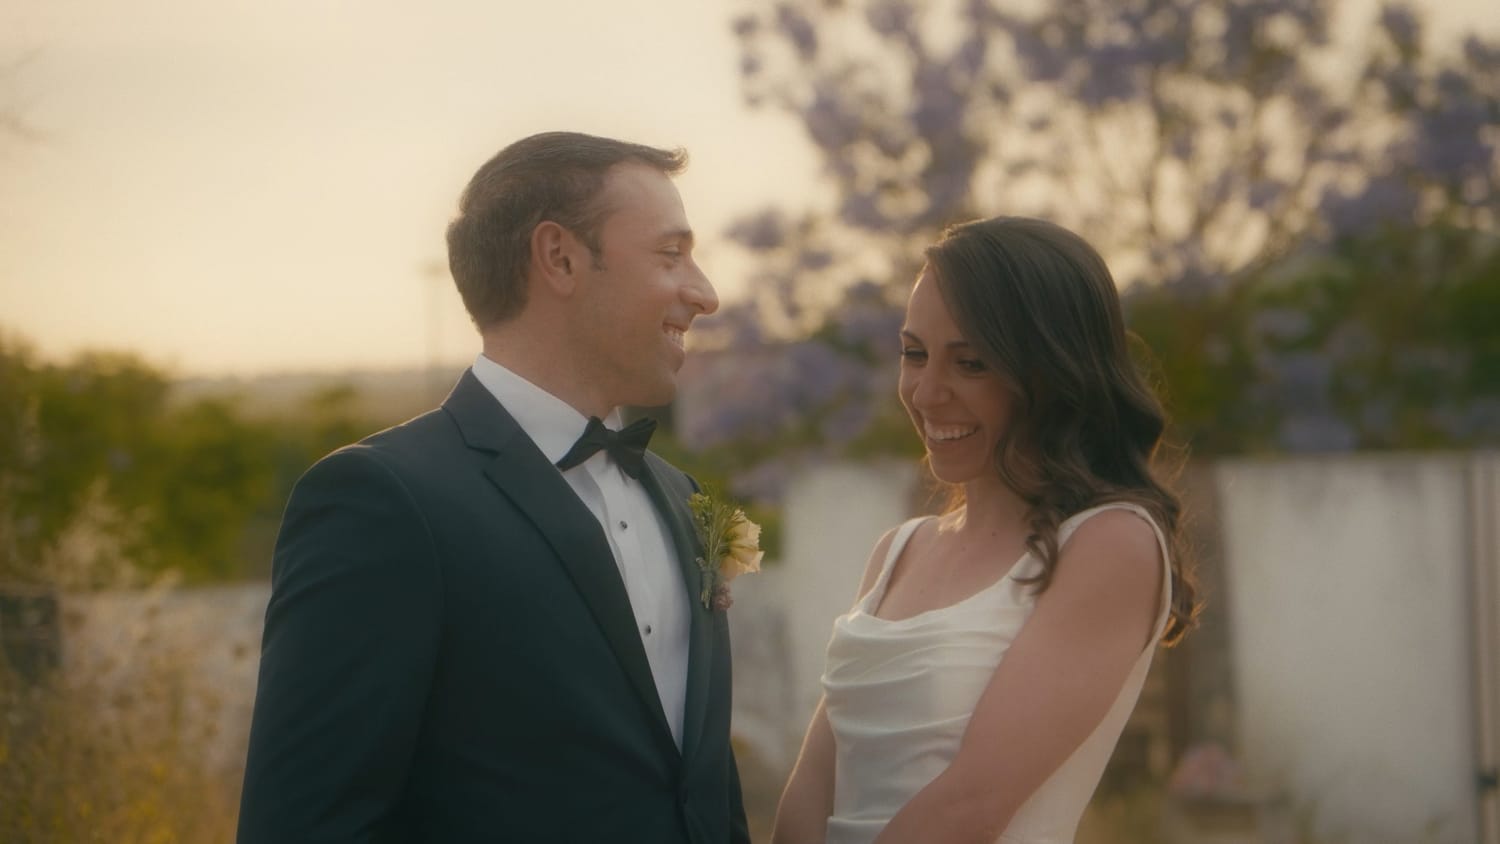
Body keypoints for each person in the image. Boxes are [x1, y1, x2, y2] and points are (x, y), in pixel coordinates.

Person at [238, 131, 750, 843]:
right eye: (671, 254)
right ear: (560, 257)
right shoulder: (383, 501)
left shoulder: (678, 494)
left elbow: (702, 792)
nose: (706, 293)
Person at [771, 216, 1197, 844]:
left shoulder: (1111, 543)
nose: (926, 391)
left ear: (1051, 372)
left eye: (970, 363)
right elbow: (813, 786)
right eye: (914, 354)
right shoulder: (899, 550)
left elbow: (970, 807)